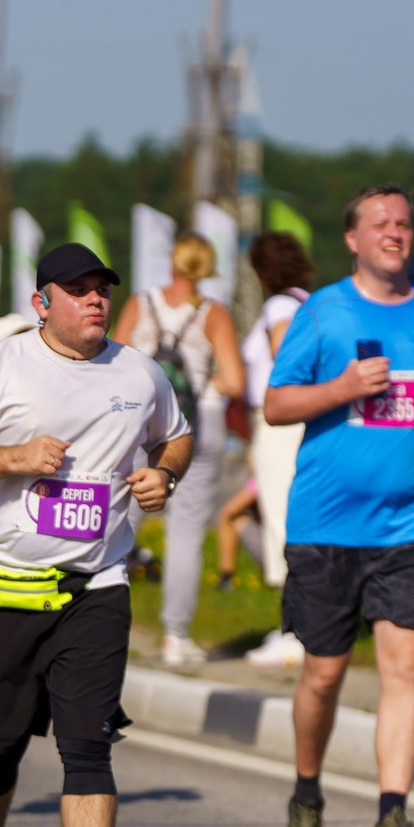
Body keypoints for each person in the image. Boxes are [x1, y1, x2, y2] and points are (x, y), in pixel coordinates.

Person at [0, 242, 191, 827]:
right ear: (41, 302)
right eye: (77, 289)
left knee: (88, 747)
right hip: (3, 588)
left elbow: (177, 439)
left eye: (102, 289)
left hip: (96, 587)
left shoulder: (139, 373)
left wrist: (163, 477)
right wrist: (13, 459)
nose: (95, 299)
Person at [263, 186, 414, 827]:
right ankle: (306, 795)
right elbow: (275, 403)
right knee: (323, 675)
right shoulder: (322, 311)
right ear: (353, 240)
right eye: (380, 224)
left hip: (409, 522)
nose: (394, 232)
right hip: (326, 523)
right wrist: (341, 389)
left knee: (405, 665)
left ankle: (393, 815)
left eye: (404, 223)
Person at [113, 234, 244, 668]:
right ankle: (176, 635)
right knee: (185, 530)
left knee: (120, 517)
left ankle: (100, 616)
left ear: (172, 262)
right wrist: (201, 382)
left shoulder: (141, 303)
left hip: (140, 417)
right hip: (199, 421)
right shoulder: (213, 314)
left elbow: (113, 359)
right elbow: (235, 381)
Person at [239, 233, 317, 668]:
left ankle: (297, 630)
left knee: (284, 526)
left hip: (278, 422)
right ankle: (297, 625)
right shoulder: (309, 303)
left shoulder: (278, 308)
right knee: (296, 521)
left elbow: (286, 357)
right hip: (298, 422)